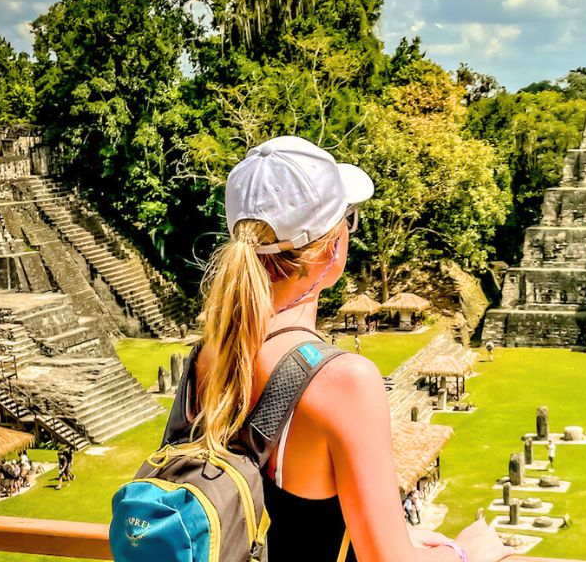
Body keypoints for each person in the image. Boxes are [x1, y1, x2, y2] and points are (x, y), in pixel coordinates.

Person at [185, 136, 510, 562]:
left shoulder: (210, 353)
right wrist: (468, 552)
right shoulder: (340, 381)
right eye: (349, 219)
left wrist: (393, 536)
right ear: (333, 244)